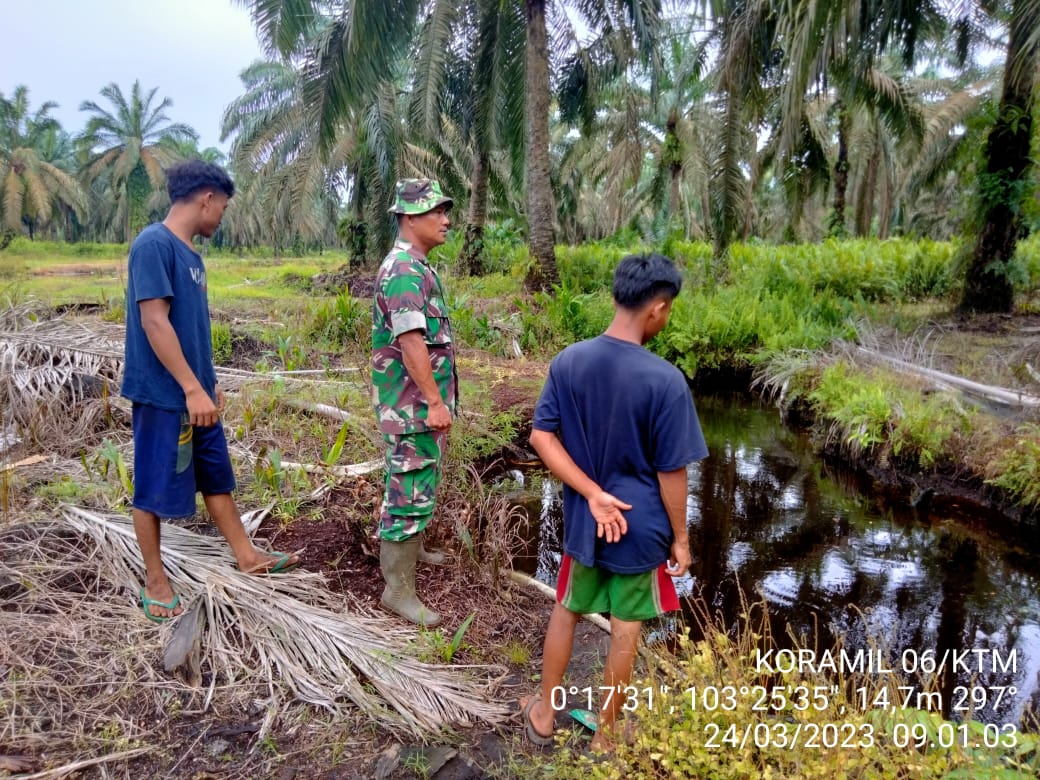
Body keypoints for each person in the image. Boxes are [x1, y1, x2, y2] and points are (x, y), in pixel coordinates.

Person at [521, 253, 708, 752]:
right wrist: (681, 540)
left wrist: (590, 494)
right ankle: (605, 734)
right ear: (658, 308)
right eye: (668, 312)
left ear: (615, 297)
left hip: (586, 522)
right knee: (626, 627)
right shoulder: (665, 381)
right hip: (639, 529)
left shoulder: (570, 361)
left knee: (567, 610)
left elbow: (543, 438)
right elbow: (672, 473)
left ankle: (544, 713)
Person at [122, 160, 299, 623]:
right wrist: (188, 388)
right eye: (221, 205)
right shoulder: (152, 245)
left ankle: (247, 555)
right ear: (206, 198)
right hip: (165, 396)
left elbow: (191, 328)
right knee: (153, 486)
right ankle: (156, 580)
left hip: (195, 392)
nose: (220, 216)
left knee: (215, 474)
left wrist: (208, 384)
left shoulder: (191, 257)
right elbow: (154, 321)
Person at [371, 178, 457, 627]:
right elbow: (411, 342)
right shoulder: (404, 269)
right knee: (407, 488)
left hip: (413, 406)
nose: (445, 219)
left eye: (446, 210)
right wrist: (435, 402)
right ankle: (398, 590)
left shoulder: (418, 266)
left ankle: (413, 549)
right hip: (411, 408)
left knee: (418, 481)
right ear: (407, 218)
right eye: (434, 212)